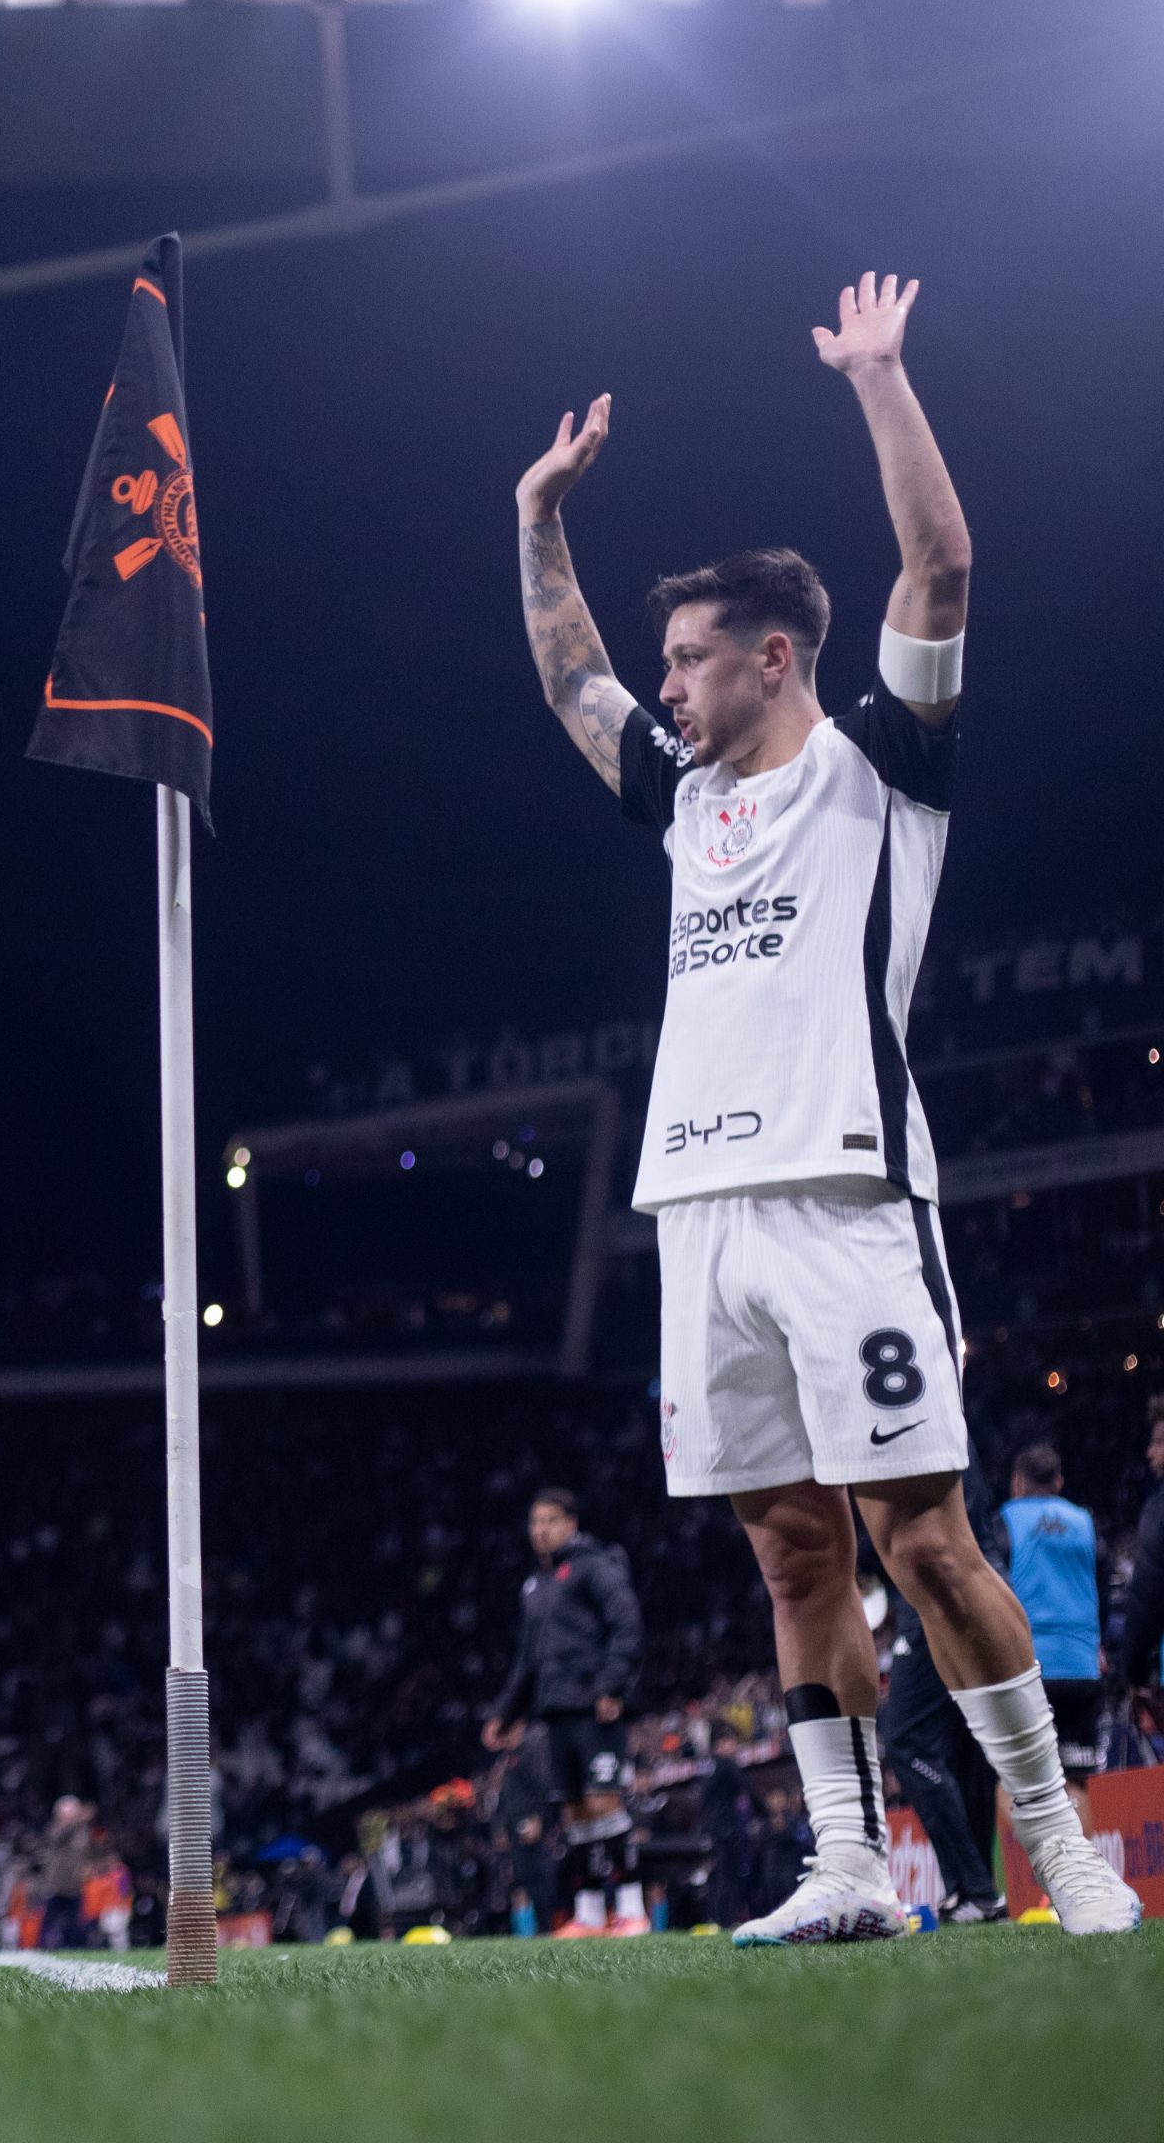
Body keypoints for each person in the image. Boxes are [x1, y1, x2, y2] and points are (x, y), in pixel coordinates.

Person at [512, 270, 1139, 1941]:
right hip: (694, 1213)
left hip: (845, 1195)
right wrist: (536, 523)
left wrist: (876, 379)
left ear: (771, 656)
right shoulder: (682, 798)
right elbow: (569, 683)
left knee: (923, 1540)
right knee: (790, 1552)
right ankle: (849, 1868)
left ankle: (1063, 1864)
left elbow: (938, 564)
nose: (665, 688)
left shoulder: (881, 763)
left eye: (689, 663)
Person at [481, 1488, 644, 1933]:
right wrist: (505, 1714)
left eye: (550, 1521)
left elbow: (626, 1623)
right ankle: (590, 1914)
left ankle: (632, 1909)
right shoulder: (535, 1586)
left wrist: (612, 1686)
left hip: (595, 1705)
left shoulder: (596, 1566)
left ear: (571, 1523)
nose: (541, 1530)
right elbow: (527, 1659)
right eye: (535, 1523)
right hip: (554, 1711)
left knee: (605, 1802)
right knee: (574, 1813)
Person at [877, 1454, 1006, 1922]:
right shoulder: (947, 1419)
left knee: (907, 1740)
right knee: (965, 1740)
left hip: (937, 1588)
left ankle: (973, 1885)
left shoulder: (901, 1420)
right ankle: (979, 1892)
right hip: (980, 1581)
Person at [1001, 1443, 1103, 1828]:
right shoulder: (1085, 1522)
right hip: (1081, 1669)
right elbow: (1102, 1595)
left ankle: (1030, 1883)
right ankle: (1081, 1886)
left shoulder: (1006, 1520)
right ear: (1058, 1481)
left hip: (1028, 1669)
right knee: (1075, 1783)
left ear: (1017, 1483)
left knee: (1009, 1780)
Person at [1116, 1396, 1164, 1711]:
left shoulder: (1159, 1509)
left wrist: (1132, 1672)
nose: (1150, 1453)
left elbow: (1147, 1592)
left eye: (1159, 1442)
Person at [35, 1795, 95, 1950]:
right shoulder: (54, 1828)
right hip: (56, 1884)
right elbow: (58, 1837)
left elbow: (86, 1853)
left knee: (76, 1922)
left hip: (74, 1884)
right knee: (49, 1920)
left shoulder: (82, 1831)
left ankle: (76, 1949)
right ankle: (41, 1949)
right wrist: (79, 1820)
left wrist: (88, 1867)